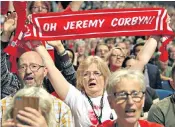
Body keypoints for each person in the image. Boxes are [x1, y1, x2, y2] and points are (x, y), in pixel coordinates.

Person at [32, 34, 162, 126]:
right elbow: (50, 67)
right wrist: (35, 40)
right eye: (86, 74)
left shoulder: (116, 95)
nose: (91, 77)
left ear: (105, 77)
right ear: (81, 79)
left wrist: (157, 33)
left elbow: (141, 60)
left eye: (96, 73)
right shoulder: (75, 97)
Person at [1, 47, 74, 126]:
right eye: (23, 67)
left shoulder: (61, 108)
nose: (28, 71)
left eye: (34, 66)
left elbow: (69, 76)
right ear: (18, 72)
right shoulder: (3, 106)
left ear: (45, 71)